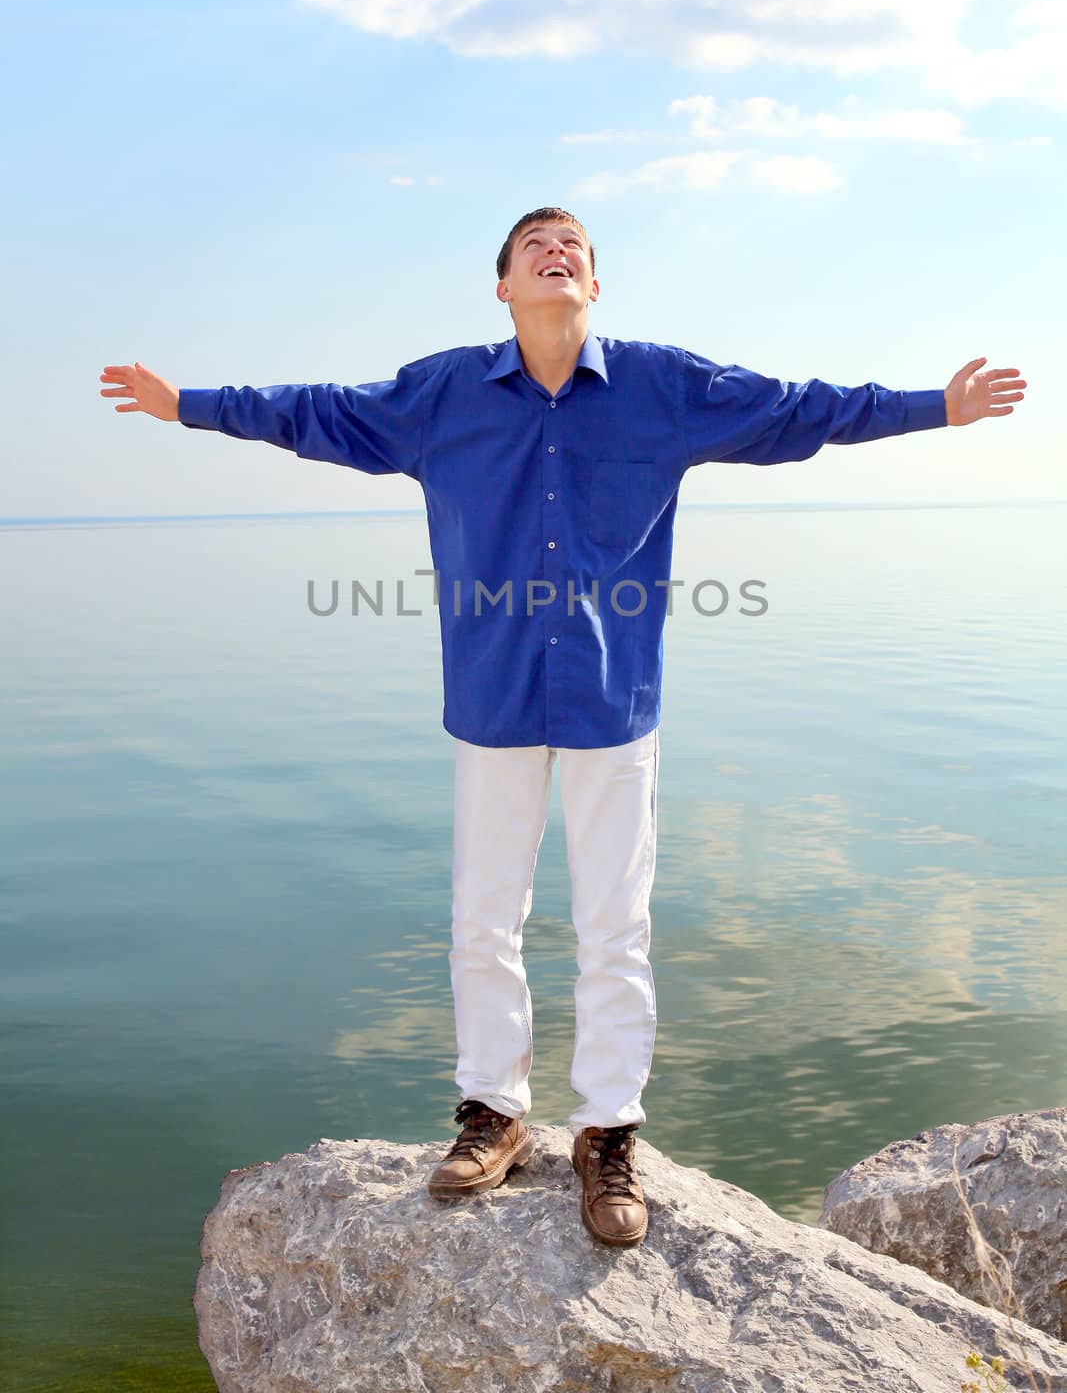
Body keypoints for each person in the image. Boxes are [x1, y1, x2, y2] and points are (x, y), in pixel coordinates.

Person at [99, 206, 1026, 1248]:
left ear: (594, 285)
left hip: (610, 700)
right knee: (481, 919)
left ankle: (605, 1133)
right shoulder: (442, 394)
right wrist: (185, 406)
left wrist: (932, 408)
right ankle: (493, 1112)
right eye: (535, 247)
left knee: (612, 927)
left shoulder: (659, 388)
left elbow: (793, 410)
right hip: (491, 697)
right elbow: (314, 410)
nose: (555, 253)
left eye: (573, 247)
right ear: (502, 287)